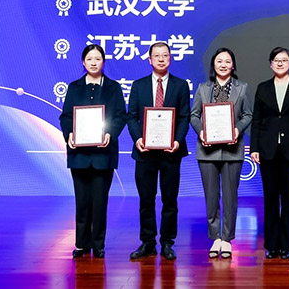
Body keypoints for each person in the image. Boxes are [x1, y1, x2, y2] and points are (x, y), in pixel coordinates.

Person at [59, 44, 127, 258]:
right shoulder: (74, 87)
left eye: (97, 59)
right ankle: (81, 244)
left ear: (103, 62)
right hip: (79, 155)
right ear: (83, 62)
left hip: (103, 154)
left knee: (99, 201)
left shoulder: (113, 87)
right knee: (82, 201)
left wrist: (110, 133)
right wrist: (70, 134)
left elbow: (120, 116)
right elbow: (66, 116)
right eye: (89, 59)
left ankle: (98, 244)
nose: (94, 63)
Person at [127, 42, 191, 261]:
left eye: (165, 55)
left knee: (169, 200)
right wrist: (138, 139)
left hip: (171, 151)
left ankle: (167, 242)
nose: (161, 59)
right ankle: (147, 242)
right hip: (145, 152)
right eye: (157, 56)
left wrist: (177, 140)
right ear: (150, 60)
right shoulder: (139, 85)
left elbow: (184, 117)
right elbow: (131, 116)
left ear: (170, 58)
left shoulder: (181, 85)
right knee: (146, 199)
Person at [190, 48, 253, 258]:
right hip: (207, 150)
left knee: (230, 196)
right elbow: (194, 114)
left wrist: (237, 130)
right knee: (211, 197)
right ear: (213, 65)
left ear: (233, 65)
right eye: (219, 61)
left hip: (232, 150)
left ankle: (227, 238)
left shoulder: (242, 88)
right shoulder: (203, 88)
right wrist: (201, 132)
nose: (223, 65)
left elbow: (248, 114)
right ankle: (215, 237)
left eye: (227, 61)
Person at [250, 47, 289, 260]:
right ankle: (271, 244)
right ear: (270, 64)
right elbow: (256, 120)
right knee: (270, 198)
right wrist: (254, 148)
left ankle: (286, 245)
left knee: (288, 198)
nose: (280, 63)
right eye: (276, 60)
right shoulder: (263, 88)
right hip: (267, 150)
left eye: (284, 60)